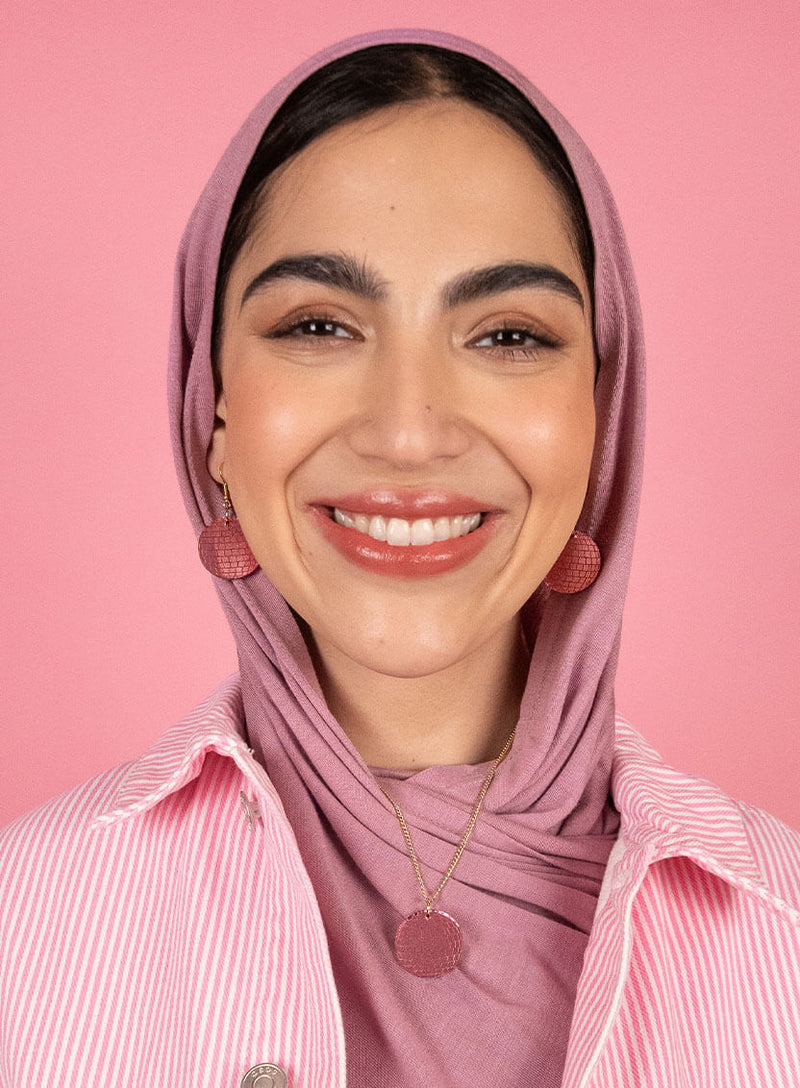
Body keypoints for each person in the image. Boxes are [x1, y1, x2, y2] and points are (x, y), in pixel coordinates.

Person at [1, 28, 798, 1088]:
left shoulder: (780, 928)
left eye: (509, 335)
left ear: (600, 422)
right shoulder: (24, 921)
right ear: (214, 419)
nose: (410, 429)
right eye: (321, 324)